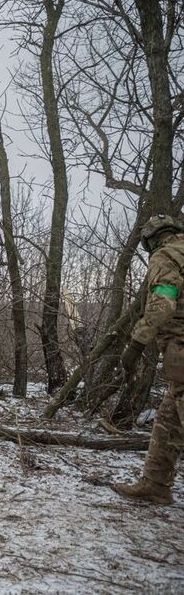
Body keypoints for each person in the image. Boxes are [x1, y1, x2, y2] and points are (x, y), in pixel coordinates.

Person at [113, 214, 184, 505]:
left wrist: (137, 342)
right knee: (168, 419)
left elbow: (164, 299)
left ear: (151, 240)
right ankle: (155, 485)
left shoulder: (165, 256)